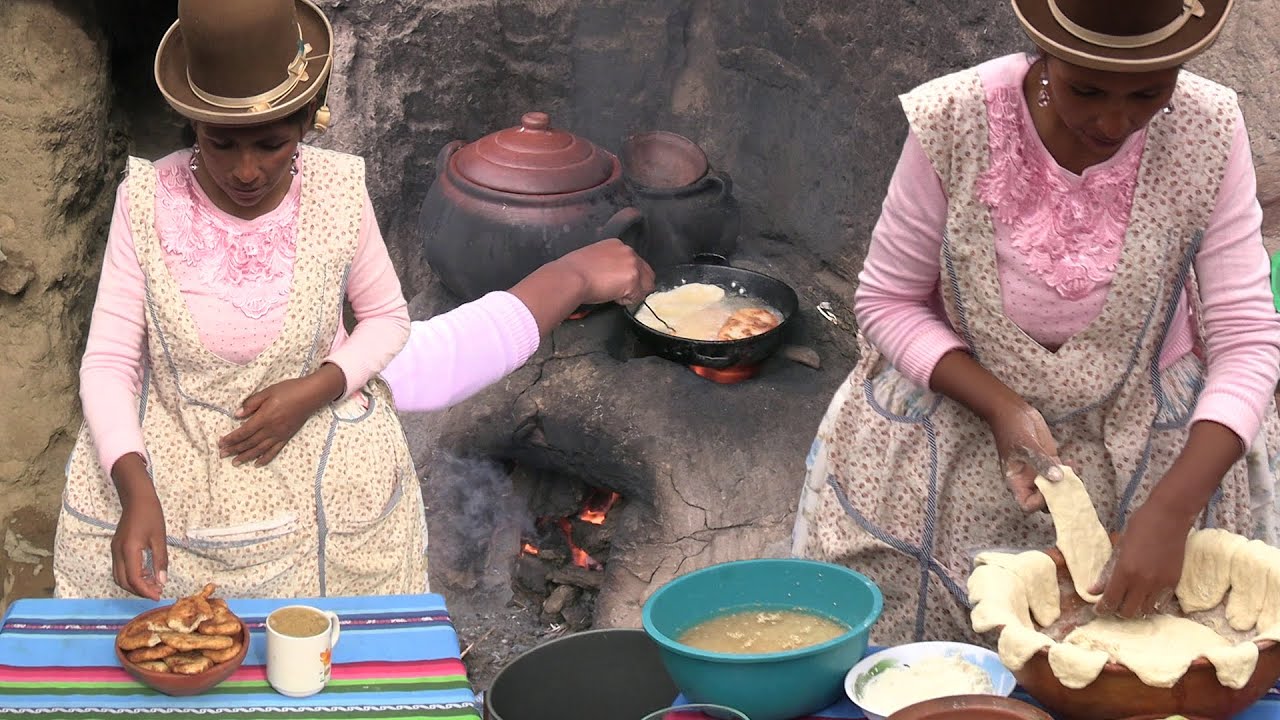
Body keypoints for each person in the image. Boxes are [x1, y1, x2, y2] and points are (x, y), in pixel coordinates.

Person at [54, 0, 653, 601]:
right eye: (220, 144)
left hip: (315, 451)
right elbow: (109, 361)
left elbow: (391, 321)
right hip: (172, 459)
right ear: (192, 127)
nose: (245, 171)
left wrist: (314, 388)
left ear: (309, 119)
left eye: (270, 144)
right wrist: (134, 490)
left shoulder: (335, 194)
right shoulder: (147, 201)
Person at [792, 0, 1280, 645]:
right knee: (943, 669)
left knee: (1142, 668)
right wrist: (1002, 408)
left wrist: (1171, 510)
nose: (1115, 119)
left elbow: (1246, 336)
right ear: (1045, 55)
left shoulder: (1208, 129)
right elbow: (888, 301)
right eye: (1086, 88)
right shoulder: (955, 120)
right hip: (956, 437)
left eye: (1148, 93)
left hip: (1154, 453)